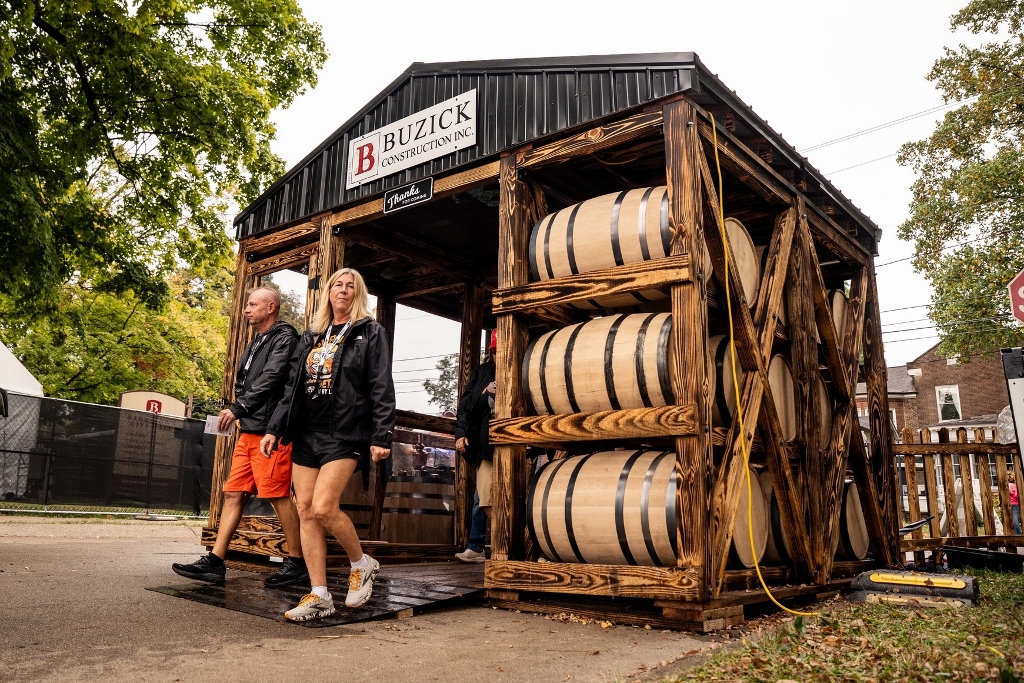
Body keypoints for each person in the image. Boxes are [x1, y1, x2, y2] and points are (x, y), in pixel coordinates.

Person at [261, 268, 395, 622]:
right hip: (307, 432)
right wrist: (275, 428)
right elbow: (291, 387)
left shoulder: (369, 332)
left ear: (358, 293)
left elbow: (381, 384)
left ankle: (361, 563)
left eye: (351, 285)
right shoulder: (313, 335)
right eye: (338, 284)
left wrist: (382, 435)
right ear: (329, 292)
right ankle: (319, 594)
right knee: (304, 509)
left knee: (322, 507)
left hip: (346, 432)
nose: (343, 290)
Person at [173, 287, 305, 587]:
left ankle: (297, 562)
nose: (246, 309)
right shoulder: (258, 341)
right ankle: (216, 562)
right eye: (247, 305)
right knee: (233, 493)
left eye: (252, 304)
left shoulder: (285, 338)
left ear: (271, 307)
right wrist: (240, 411)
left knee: (277, 495)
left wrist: (239, 407)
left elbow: (272, 378)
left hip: (270, 432)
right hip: (249, 430)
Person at [453, 330, 496, 563]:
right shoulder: (481, 372)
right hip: (484, 443)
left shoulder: (525, 368)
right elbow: (465, 405)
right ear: (491, 352)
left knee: (520, 498)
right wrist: (461, 433)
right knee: (484, 496)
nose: (500, 354)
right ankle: (479, 546)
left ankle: (500, 547)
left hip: (516, 443)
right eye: (496, 351)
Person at [1009, 464, 1021, 535]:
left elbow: (1017, 496)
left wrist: (1011, 492)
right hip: (1007, 505)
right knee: (1008, 522)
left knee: (1015, 522)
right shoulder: (1005, 485)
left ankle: (1018, 535)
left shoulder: (1015, 485)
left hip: (1014, 505)